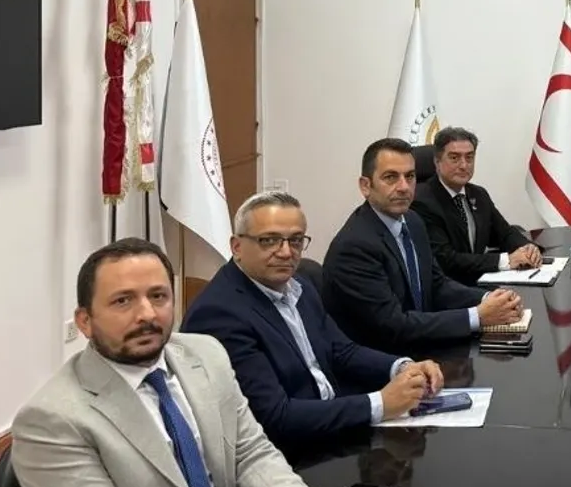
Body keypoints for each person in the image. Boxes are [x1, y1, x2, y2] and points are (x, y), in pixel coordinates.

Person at [10, 238, 335, 487]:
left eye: (158, 296)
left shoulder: (207, 354)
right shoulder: (51, 419)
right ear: (85, 321)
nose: (147, 314)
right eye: (123, 301)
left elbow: (250, 454)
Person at [182, 192, 445, 452]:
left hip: (331, 430)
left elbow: (340, 350)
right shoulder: (220, 314)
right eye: (269, 240)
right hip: (289, 454)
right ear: (237, 246)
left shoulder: (300, 285)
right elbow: (275, 417)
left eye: (296, 240)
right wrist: (380, 404)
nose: (286, 252)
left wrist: (402, 367)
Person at [324, 137, 524, 350]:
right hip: (386, 358)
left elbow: (436, 285)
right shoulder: (355, 247)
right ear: (366, 186)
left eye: (410, 176)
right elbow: (393, 325)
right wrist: (477, 316)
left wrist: (490, 298)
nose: (404, 187)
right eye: (391, 177)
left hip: (421, 344)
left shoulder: (412, 221)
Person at [411, 127, 541, 286]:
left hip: (482, 281)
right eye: (454, 158)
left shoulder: (478, 194)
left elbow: (504, 233)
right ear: (437, 161)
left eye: (469, 157)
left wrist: (527, 248)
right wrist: (506, 260)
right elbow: (446, 259)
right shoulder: (422, 201)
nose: (464, 165)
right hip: (449, 288)